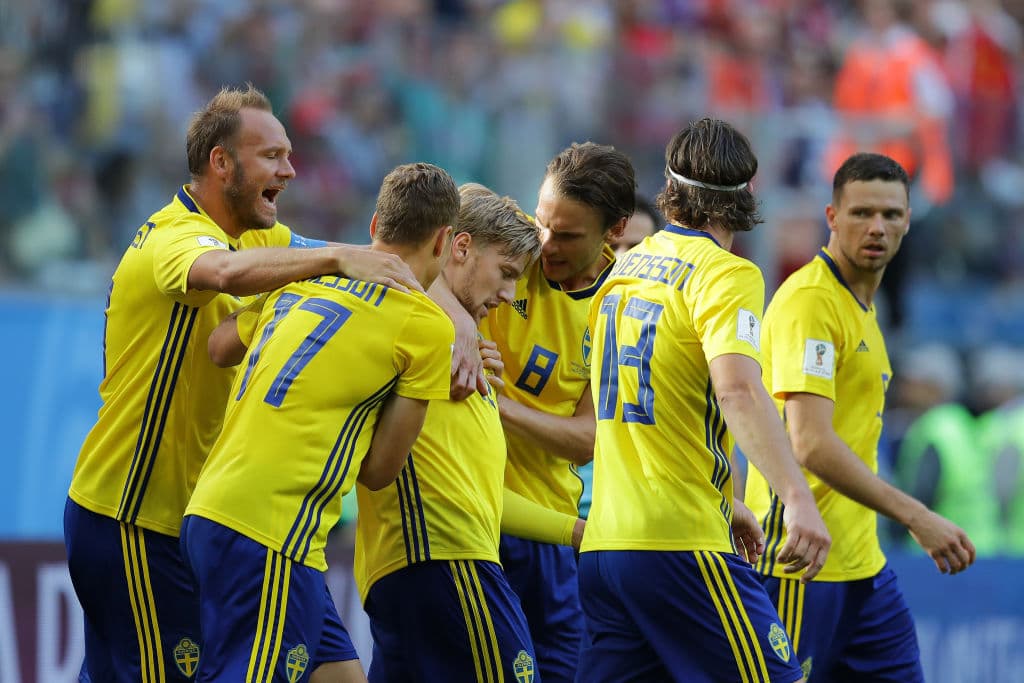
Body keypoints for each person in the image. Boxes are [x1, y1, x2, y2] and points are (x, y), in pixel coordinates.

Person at [62, 85, 420, 683]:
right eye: (272, 156)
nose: (291, 169)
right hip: (133, 518)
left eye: (289, 153)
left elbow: (365, 258)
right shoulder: (169, 237)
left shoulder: (263, 235)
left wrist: (454, 310)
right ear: (220, 163)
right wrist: (335, 259)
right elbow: (223, 271)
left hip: (202, 523)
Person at [183, 162, 460, 681]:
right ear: (444, 240)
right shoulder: (427, 325)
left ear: (375, 226)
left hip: (213, 508)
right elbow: (379, 471)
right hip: (273, 530)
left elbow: (219, 347)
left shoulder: (304, 281)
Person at [579, 117, 831, 682]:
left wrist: (728, 500)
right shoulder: (726, 274)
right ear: (746, 196)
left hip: (607, 547)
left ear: (670, 191)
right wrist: (795, 496)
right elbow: (737, 388)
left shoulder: (623, 269)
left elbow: (657, 402)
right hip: (681, 544)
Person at [744, 152, 976, 681]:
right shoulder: (811, 302)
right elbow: (810, 443)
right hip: (803, 565)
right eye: (861, 213)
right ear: (831, 216)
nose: (877, 227)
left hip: (863, 566)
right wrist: (916, 516)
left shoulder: (862, 306)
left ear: (909, 221)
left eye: (891, 215)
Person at [354, 182, 584, 682]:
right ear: (458, 247)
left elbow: (485, 499)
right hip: (441, 561)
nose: (508, 295)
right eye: (505, 273)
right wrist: (451, 314)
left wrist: (578, 532)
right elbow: (443, 211)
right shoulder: (422, 326)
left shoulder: (466, 353)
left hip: (412, 569)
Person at [479, 141, 636, 682]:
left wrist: (496, 405)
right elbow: (432, 230)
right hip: (469, 518)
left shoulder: (622, 305)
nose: (545, 244)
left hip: (549, 530)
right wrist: (455, 324)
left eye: (567, 235)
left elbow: (588, 437)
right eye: (544, 222)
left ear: (614, 229)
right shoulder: (511, 240)